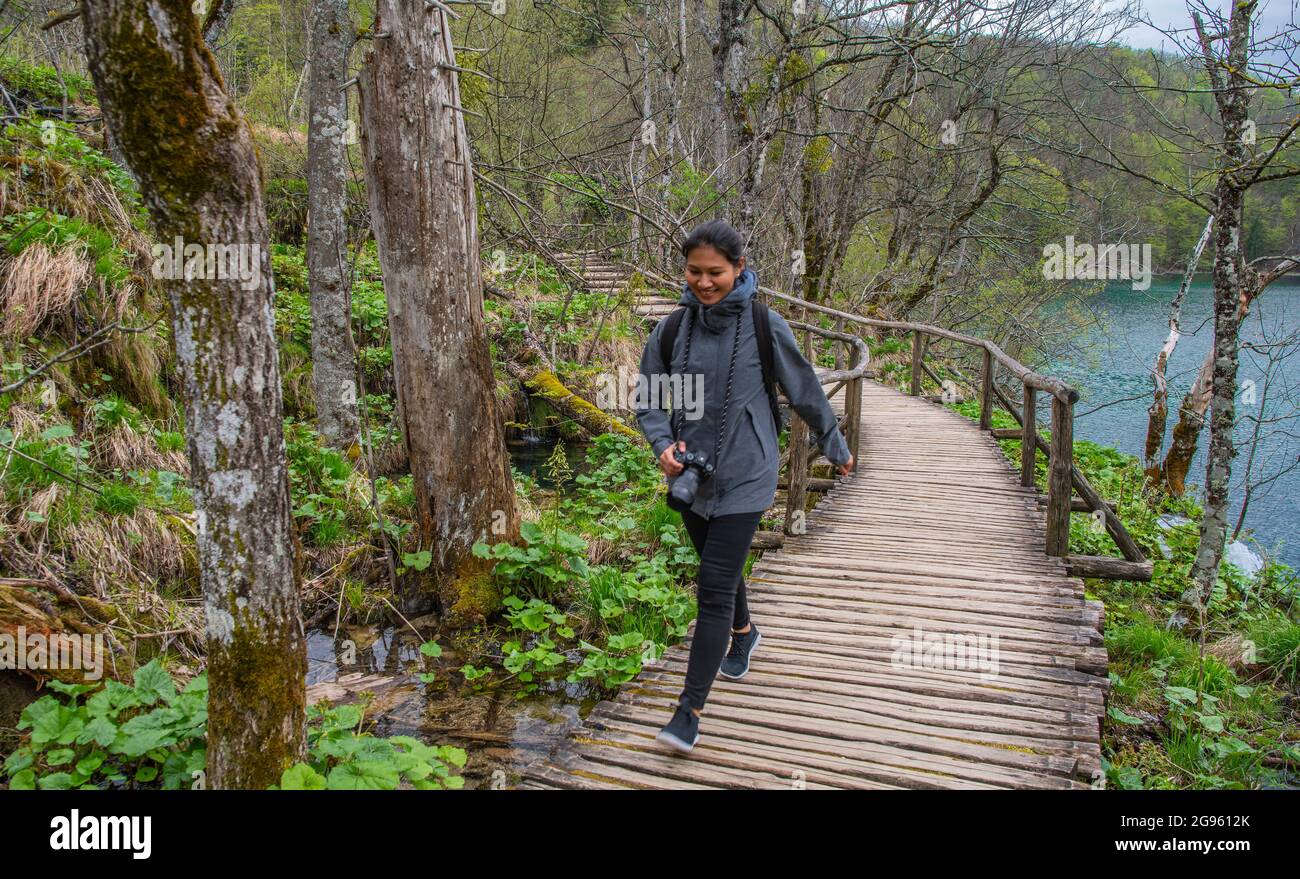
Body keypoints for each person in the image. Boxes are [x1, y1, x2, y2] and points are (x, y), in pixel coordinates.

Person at [634, 219, 855, 753]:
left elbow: (802, 386)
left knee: (711, 589)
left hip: (748, 472)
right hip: (690, 474)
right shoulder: (670, 330)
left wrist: (834, 443)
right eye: (694, 272)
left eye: (716, 272)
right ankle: (744, 633)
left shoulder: (764, 323)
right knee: (717, 566)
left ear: (738, 269)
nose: (704, 283)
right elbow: (649, 398)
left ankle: (688, 713)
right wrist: (662, 444)